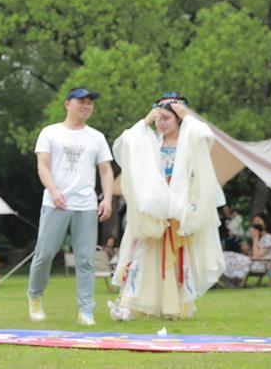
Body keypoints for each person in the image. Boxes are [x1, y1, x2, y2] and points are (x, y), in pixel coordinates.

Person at [108, 95, 225, 320]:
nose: (161, 123)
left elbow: (205, 136)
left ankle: (172, 306)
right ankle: (134, 304)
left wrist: (184, 114)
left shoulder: (189, 141)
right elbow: (126, 143)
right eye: (158, 119)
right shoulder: (151, 142)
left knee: (174, 257)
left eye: (166, 118)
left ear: (178, 119)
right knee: (142, 254)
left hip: (177, 209)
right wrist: (146, 120)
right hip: (153, 210)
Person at [27, 87, 114, 326]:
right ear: (68, 104)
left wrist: (106, 198)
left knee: (86, 259)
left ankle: (86, 310)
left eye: (90, 103)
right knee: (44, 254)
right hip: (56, 202)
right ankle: (35, 297)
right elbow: (42, 166)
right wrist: (54, 191)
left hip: (86, 205)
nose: (86, 107)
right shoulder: (50, 132)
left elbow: (105, 170)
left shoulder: (96, 137)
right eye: (81, 102)